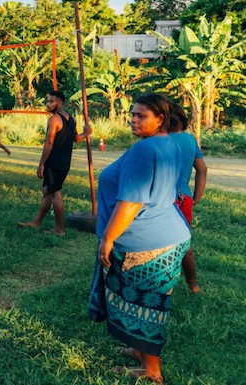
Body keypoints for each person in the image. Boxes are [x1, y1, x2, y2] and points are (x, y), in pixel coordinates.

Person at [88, 94, 191, 384]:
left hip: (148, 242)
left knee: (147, 307)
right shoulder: (168, 143)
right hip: (169, 234)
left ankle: (152, 370)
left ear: (161, 119)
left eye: (141, 116)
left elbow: (132, 201)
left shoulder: (144, 150)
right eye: (132, 114)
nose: (133, 119)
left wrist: (108, 238)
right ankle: (139, 350)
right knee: (139, 301)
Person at [18, 90, 91, 236]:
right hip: (64, 163)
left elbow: (49, 143)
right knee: (47, 191)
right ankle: (36, 222)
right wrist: (85, 133)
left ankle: (59, 230)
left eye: (51, 101)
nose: (48, 104)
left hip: (54, 163)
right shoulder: (71, 119)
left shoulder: (54, 120)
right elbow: (76, 138)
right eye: (47, 101)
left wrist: (41, 164)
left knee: (56, 193)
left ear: (60, 103)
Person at [169, 104, 207, 293]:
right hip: (184, 198)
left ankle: (163, 282)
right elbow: (202, 170)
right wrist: (196, 197)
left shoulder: (158, 139)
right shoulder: (190, 140)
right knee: (184, 243)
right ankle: (193, 284)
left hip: (162, 198)